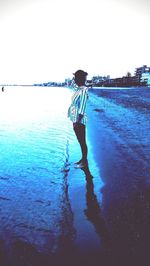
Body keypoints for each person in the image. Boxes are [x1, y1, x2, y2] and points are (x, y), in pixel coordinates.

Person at [68, 70, 89, 168]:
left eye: (76, 78)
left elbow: (82, 108)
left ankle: (84, 162)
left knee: (82, 141)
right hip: (75, 120)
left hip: (79, 121)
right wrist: (74, 77)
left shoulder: (84, 90)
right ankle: (83, 159)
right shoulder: (78, 89)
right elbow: (71, 85)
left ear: (79, 79)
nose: (75, 79)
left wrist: (77, 122)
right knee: (80, 141)